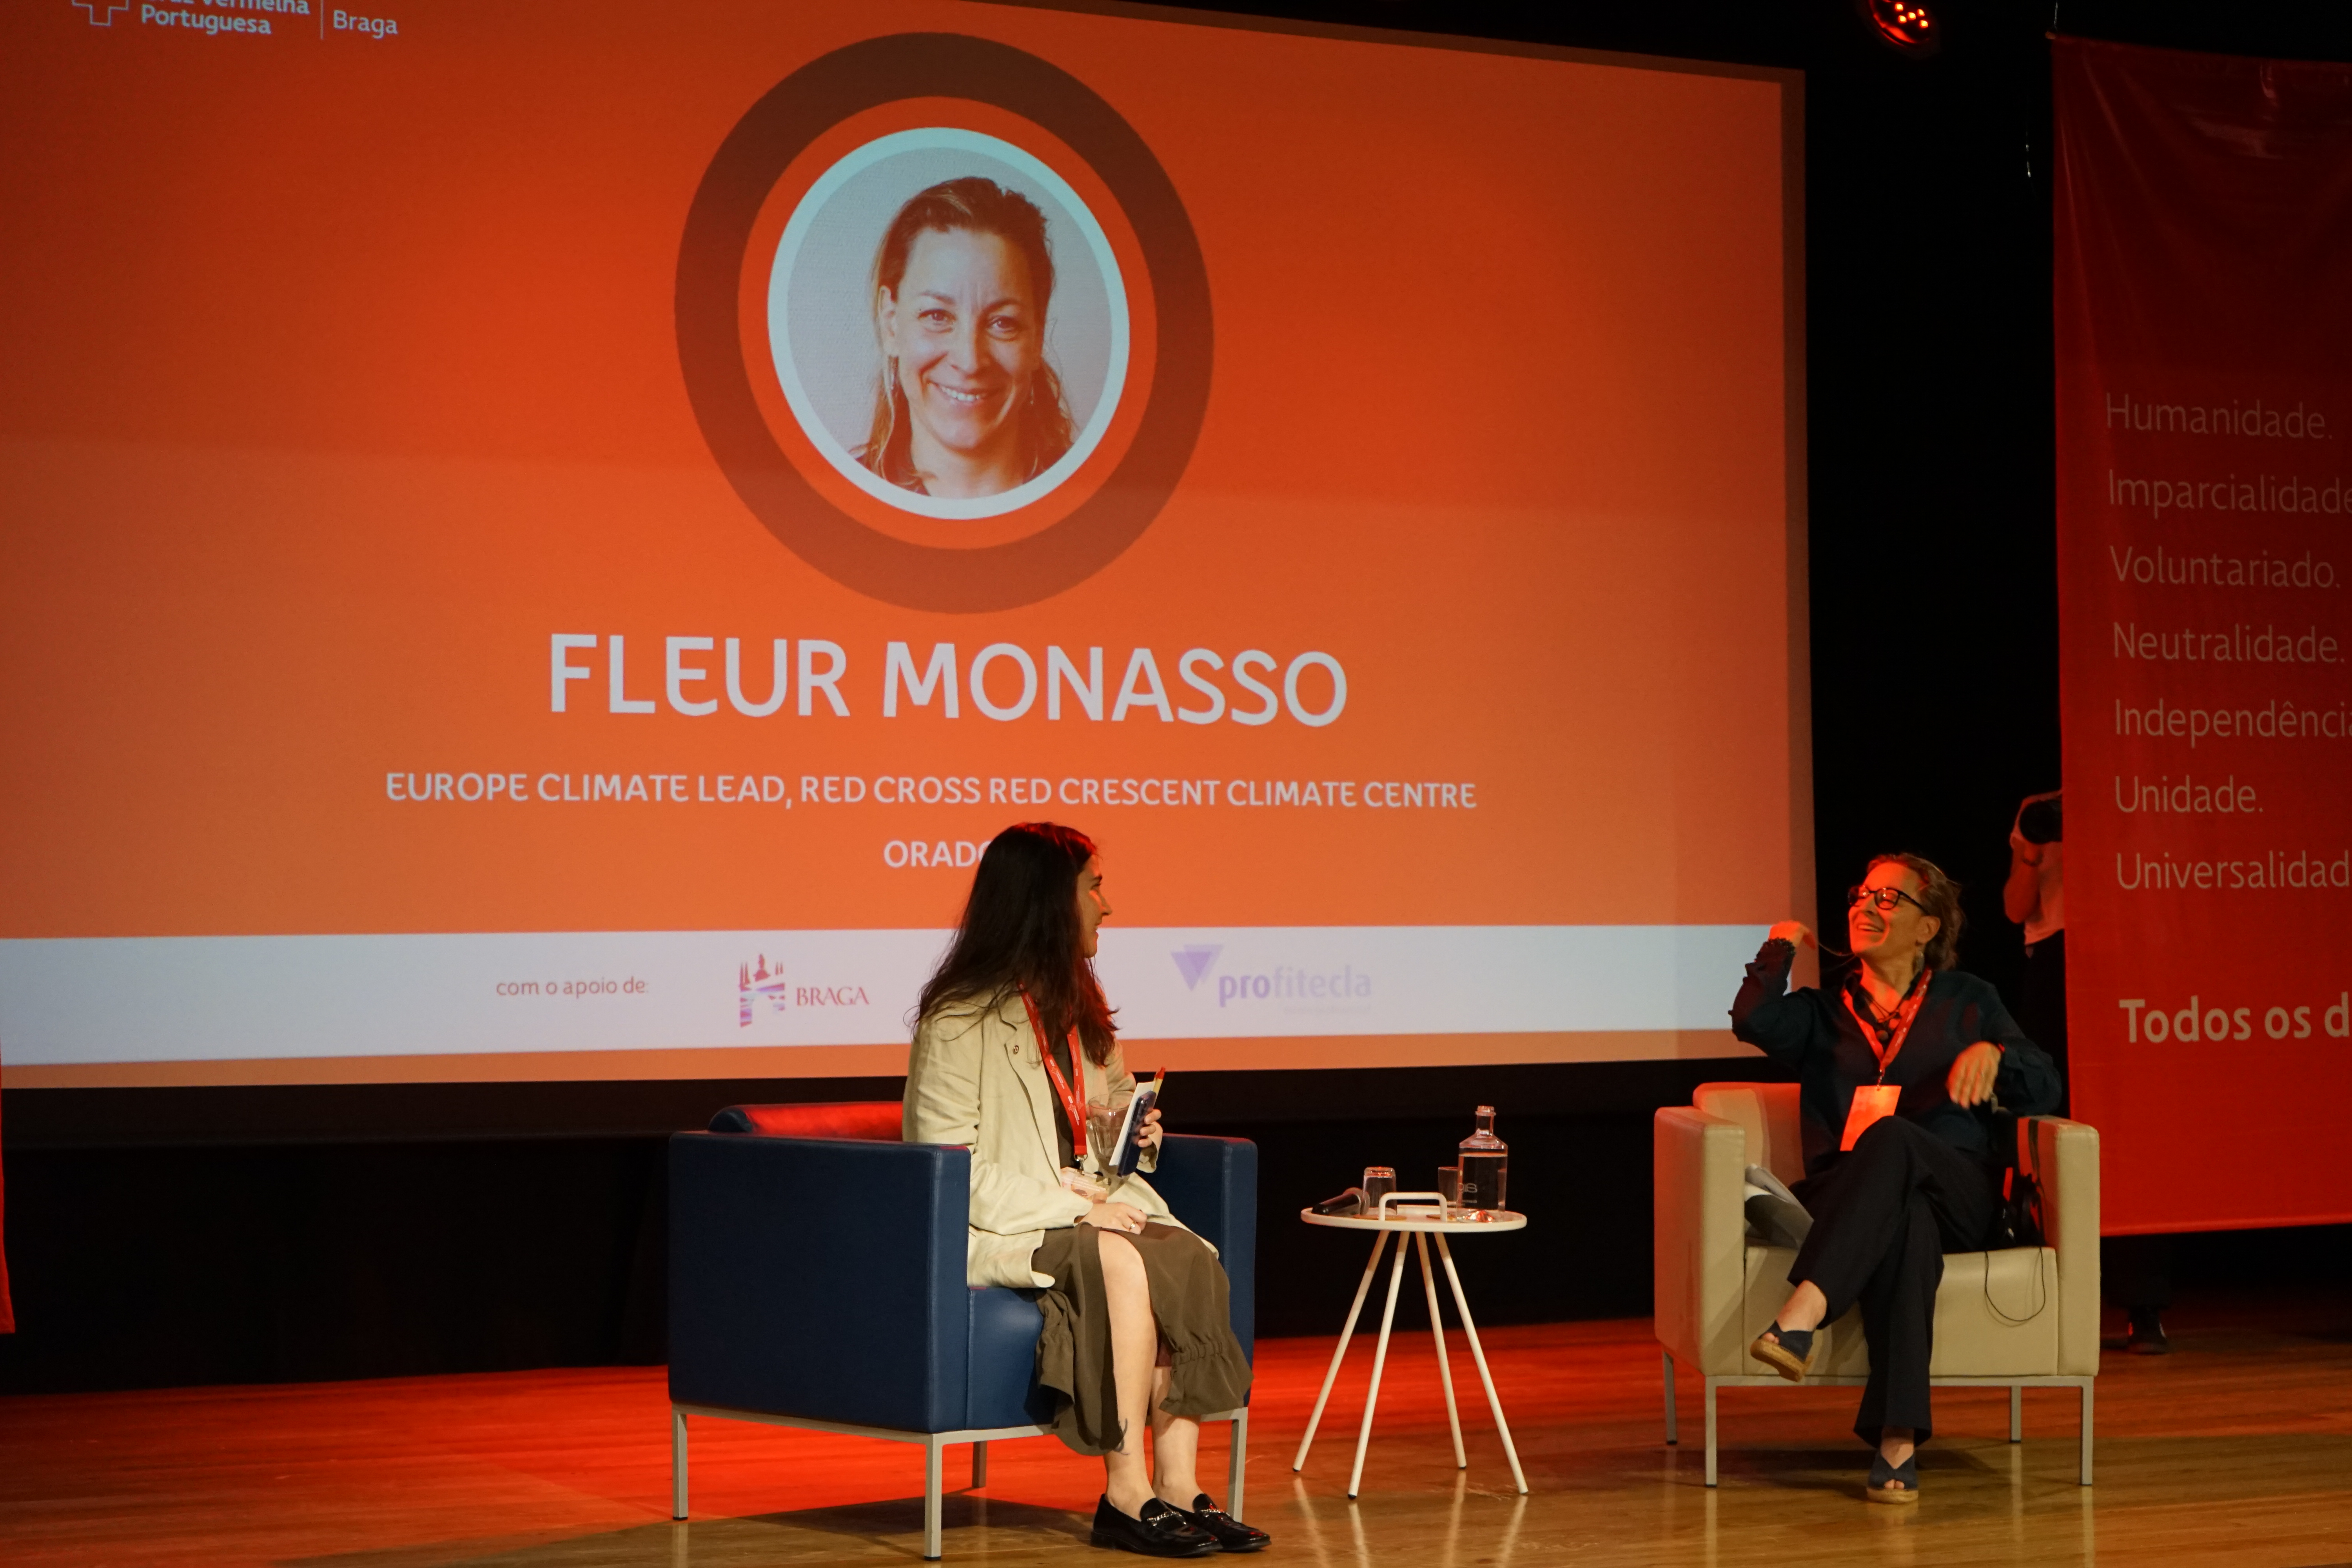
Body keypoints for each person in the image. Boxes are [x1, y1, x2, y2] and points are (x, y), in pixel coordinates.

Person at [904, 823, 1267, 1557]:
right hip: (1007, 1221)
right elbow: (951, 1169)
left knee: (1189, 1254)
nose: (1109, 905)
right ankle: (1124, 1494)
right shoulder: (958, 1020)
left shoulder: (1079, 1003)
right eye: (1094, 887)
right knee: (1122, 1260)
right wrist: (1080, 1207)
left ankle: (1178, 1487)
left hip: (1093, 1201)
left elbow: (1110, 1104)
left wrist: (1132, 1130)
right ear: (1048, 900)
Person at [1731, 852, 2062, 1504]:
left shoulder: (1970, 1001)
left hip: (1956, 1189)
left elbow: (2046, 1087)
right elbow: (1752, 1021)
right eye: (1862, 895)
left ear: (1927, 928)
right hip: (1850, 1195)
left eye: (1887, 899)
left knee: (1894, 1140)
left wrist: (1997, 1055)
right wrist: (1778, 948)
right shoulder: (1821, 1012)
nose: (1865, 906)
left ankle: (1803, 1311)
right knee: (1905, 1224)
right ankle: (1898, 1437)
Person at [2005, 788, 2173, 1354]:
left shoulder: (2137, 794)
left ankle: (2144, 1304)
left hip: (2127, 960)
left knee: (2132, 1131)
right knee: (2047, 1119)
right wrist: (2034, 849)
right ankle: (2040, 1296)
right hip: (2055, 963)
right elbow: (2015, 907)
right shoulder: (2039, 807)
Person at [861, 177, 1077, 499]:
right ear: (891, 324)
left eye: (1002, 323)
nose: (970, 361)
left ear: (1037, 338)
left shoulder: (1104, 502)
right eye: (937, 316)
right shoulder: (829, 505)